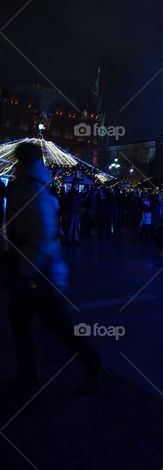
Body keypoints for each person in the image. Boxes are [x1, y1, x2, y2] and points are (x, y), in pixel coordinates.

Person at [3, 142, 101, 393]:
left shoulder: (34, 187)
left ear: (23, 159)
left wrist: (24, 271)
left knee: (57, 325)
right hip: (33, 268)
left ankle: (92, 364)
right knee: (26, 322)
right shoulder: (28, 183)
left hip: (39, 272)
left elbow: (43, 235)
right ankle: (28, 374)